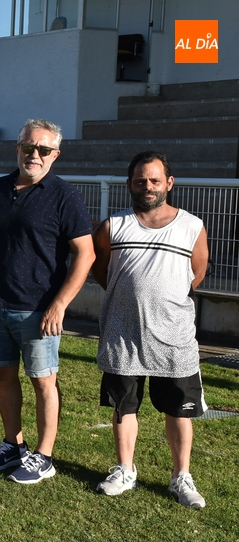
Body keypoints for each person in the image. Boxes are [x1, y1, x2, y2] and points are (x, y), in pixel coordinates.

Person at [0, 119, 94, 484]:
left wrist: (59, 304)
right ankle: (14, 444)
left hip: (39, 310)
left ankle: (44, 455)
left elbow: (86, 255)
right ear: (17, 148)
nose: (35, 154)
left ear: (55, 155)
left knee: (43, 381)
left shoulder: (64, 196)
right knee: (3, 377)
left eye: (44, 149)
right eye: (29, 147)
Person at [92, 151, 209, 508]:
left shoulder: (192, 226)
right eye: (141, 180)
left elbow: (197, 273)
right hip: (122, 337)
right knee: (124, 408)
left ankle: (181, 477)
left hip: (174, 340)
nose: (148, 186)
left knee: (179, 410)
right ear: (130, 184)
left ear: (169, 183)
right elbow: (101, 270)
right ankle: (125, 469)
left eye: (155, 180)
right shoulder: (113, 225)